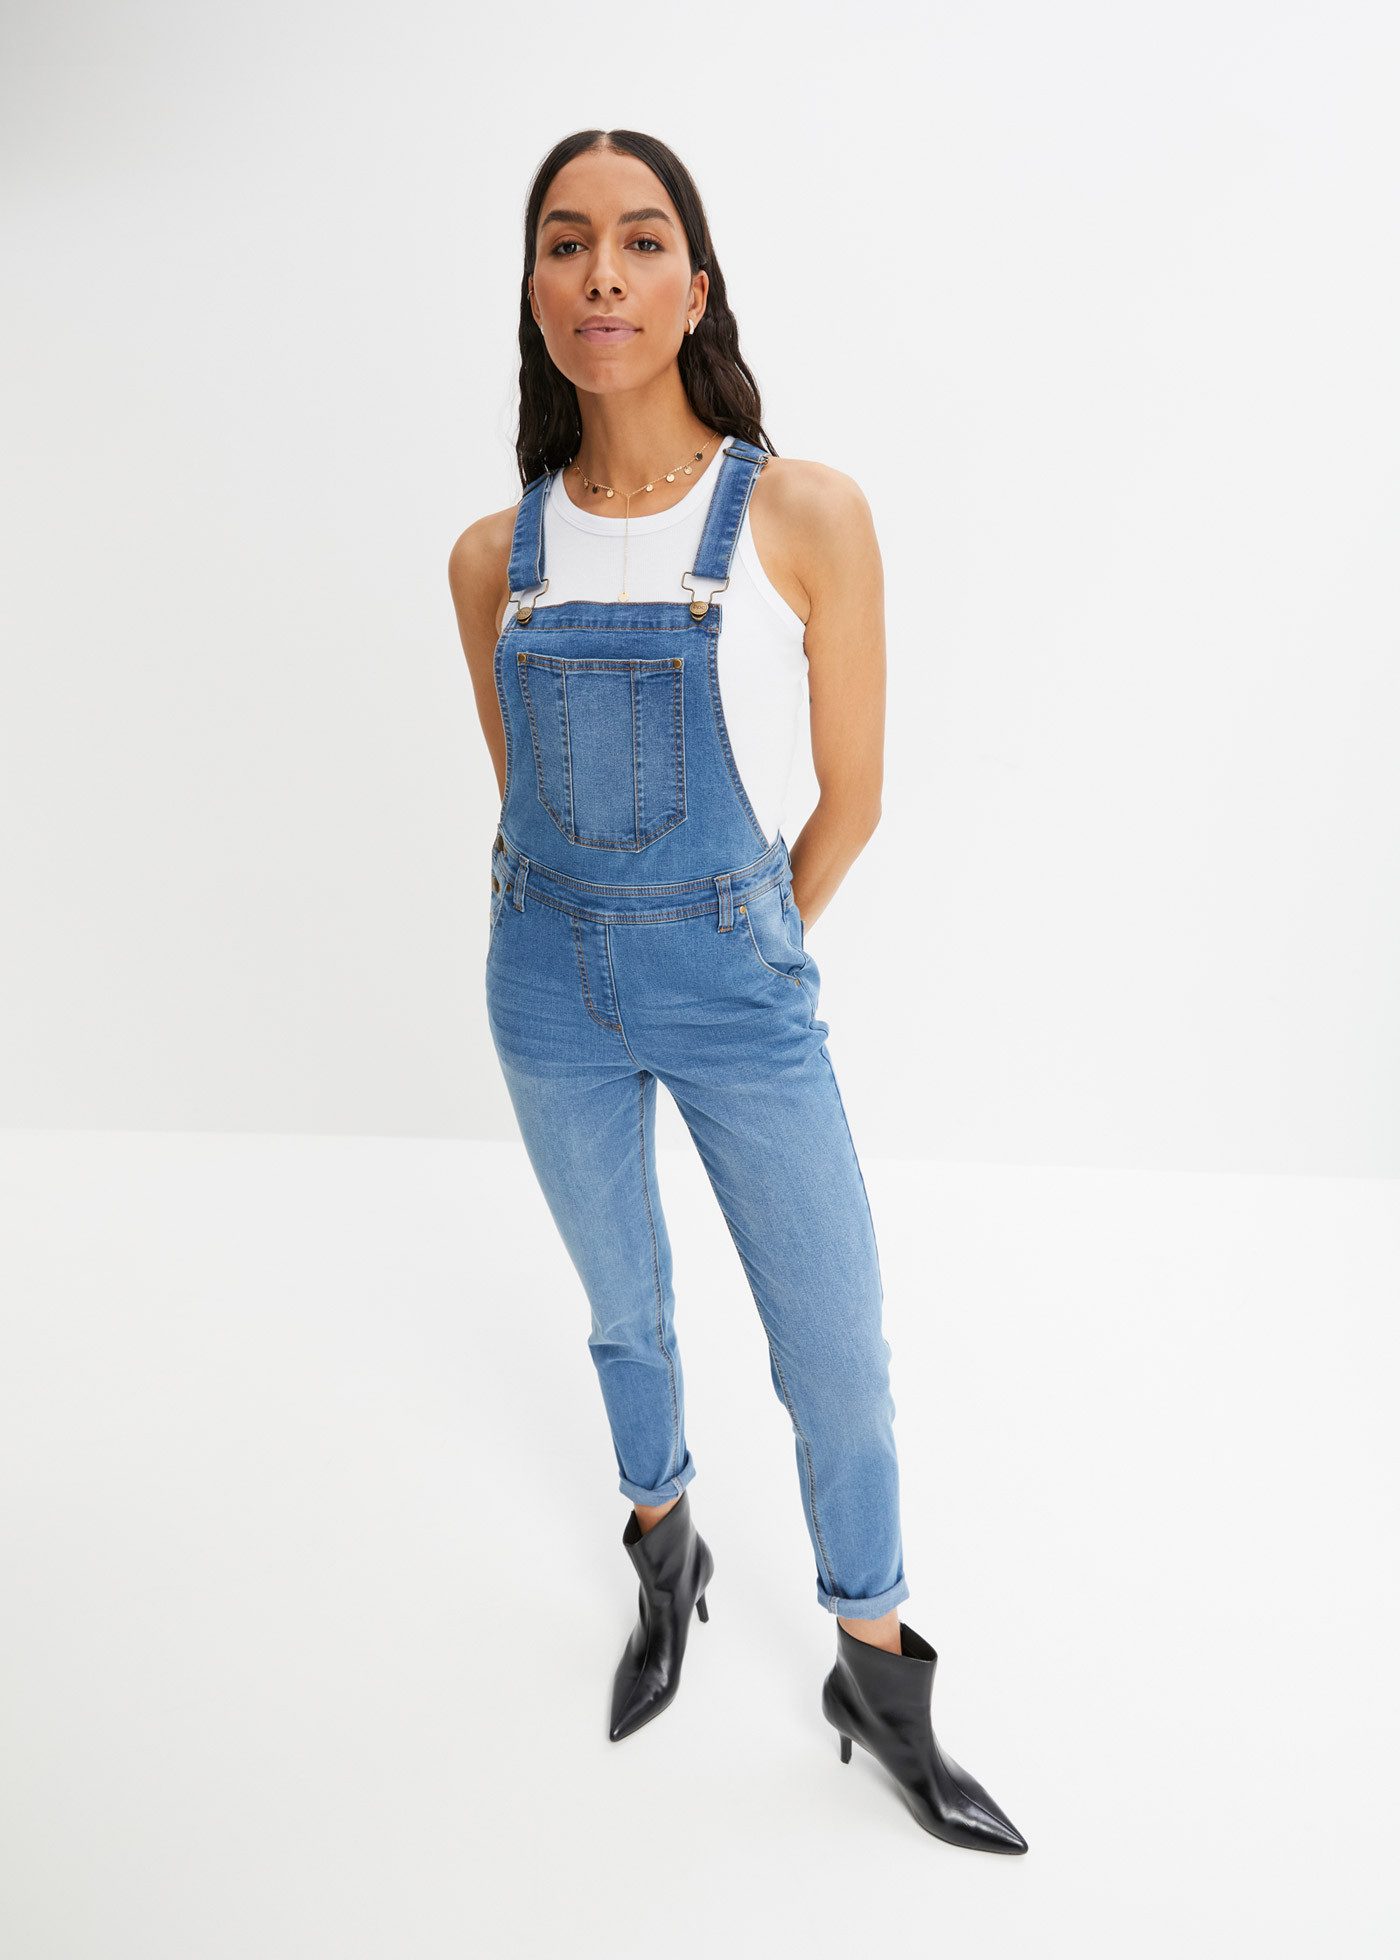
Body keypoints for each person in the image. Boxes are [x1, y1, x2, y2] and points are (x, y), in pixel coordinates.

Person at [448, 127, 1027, 1854]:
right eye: (566, 242)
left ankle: (877, 1669)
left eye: (641, 241)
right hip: (543, 979)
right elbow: (525, 801)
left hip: (736, 982)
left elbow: (853, 799)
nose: (602, 275)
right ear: (535, 289)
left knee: (834, 1346)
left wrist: (749, 938)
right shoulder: (493, 557)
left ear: (695, 287)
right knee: (624, 1308)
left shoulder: (799, 514)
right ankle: (664, 1543)